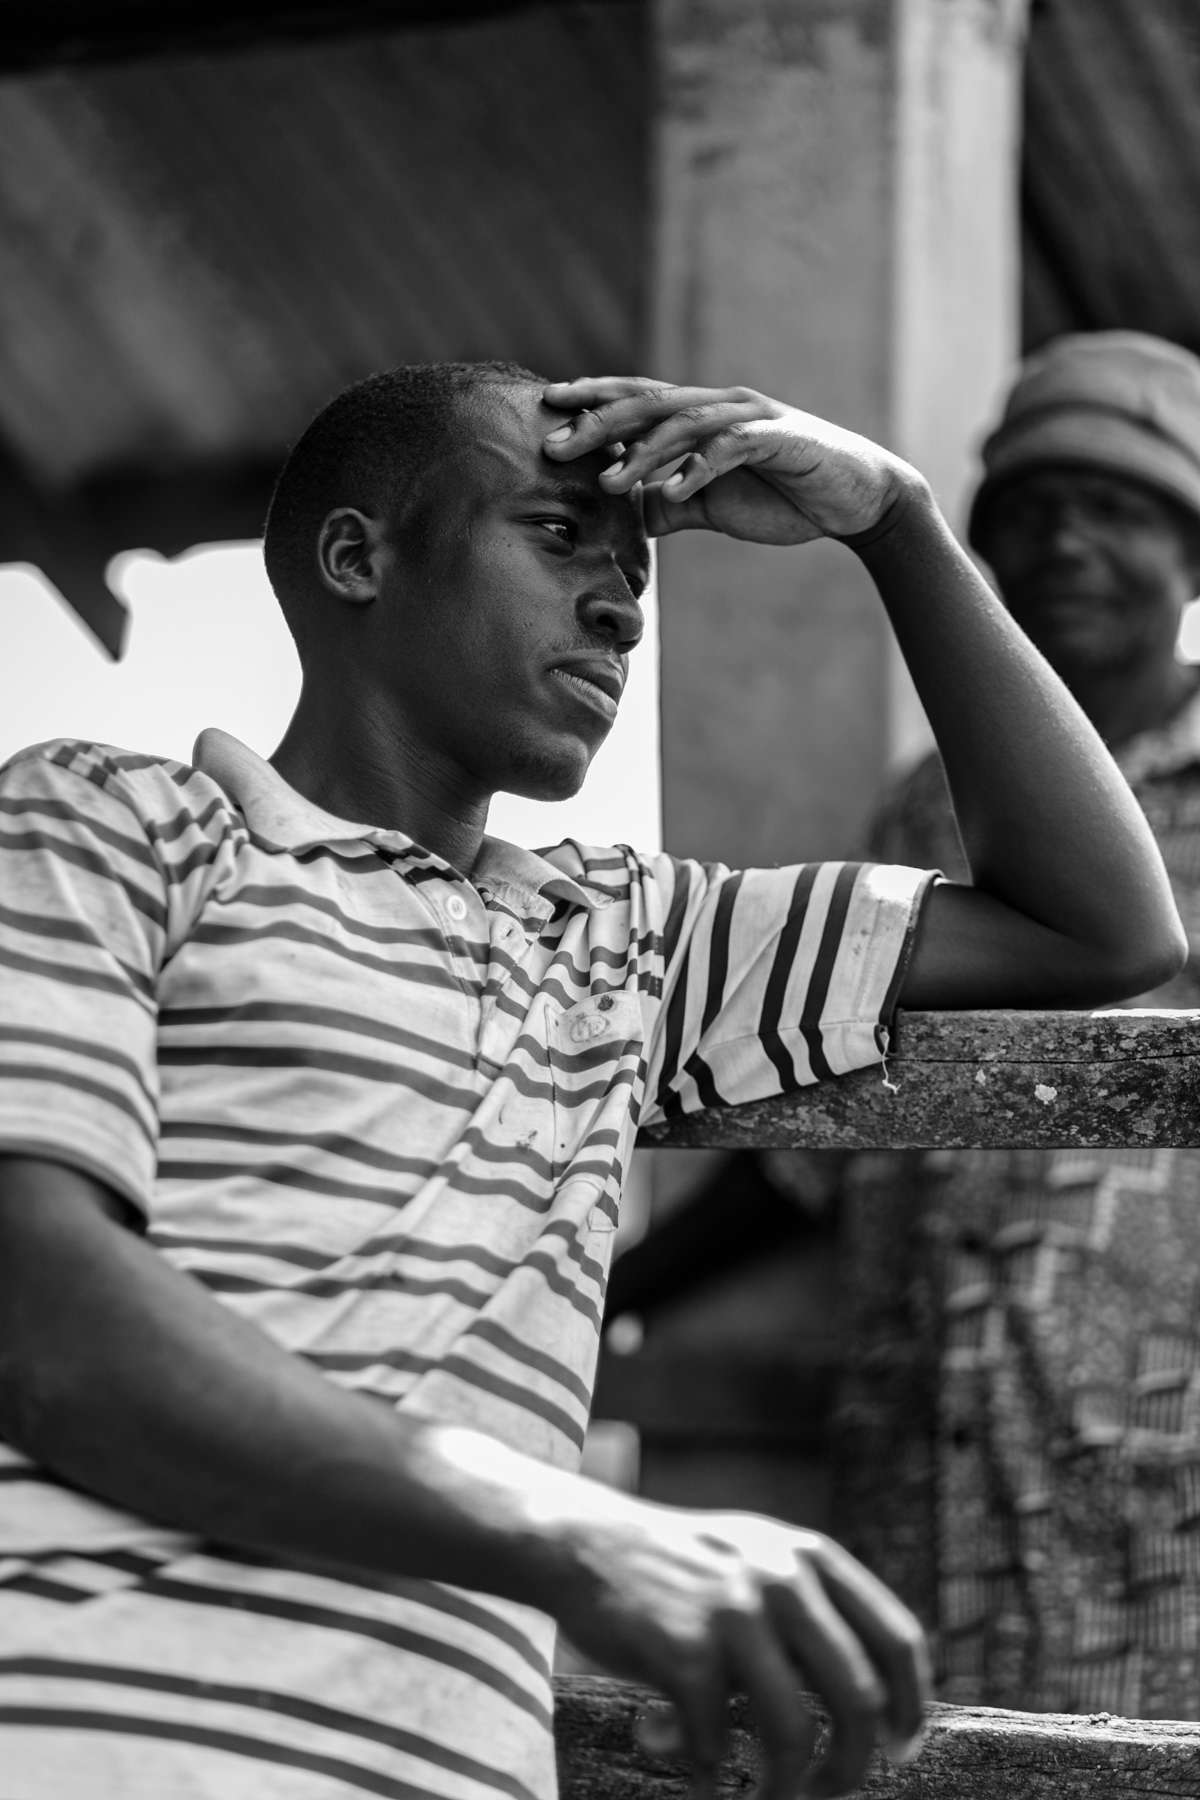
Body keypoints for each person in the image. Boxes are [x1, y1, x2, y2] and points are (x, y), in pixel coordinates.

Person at [0, 360, 1184, 1800]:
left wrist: (897, 524)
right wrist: (585, 1535)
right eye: (559, 537)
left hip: (446, 1763)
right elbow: (37, 1315)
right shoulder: (109, 820)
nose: (621, 608)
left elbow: (1102, 929)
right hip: (93, 1726)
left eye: (637, 575)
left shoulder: (628, 939)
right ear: (358, 558)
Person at [836, 330, 1200, 1721]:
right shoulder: (927, 807)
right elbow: (825, 1103)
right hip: (934, 1434)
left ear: (1193, 557)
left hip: (1160, 1447)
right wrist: (621, 1289)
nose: (1065, 544)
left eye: (1116, 509)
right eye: (1034, 510)